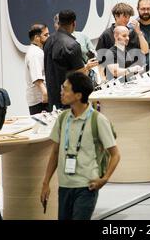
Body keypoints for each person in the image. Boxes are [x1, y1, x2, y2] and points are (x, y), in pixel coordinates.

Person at [40, 72, 120, 220]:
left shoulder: (98, 120)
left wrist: (105, 178)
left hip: (87, 186)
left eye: (65, 89)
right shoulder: (62, 118)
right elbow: (55, 153)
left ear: (78, 95)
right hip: (64, 186)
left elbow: (115, 154)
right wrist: (46, 183)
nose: (61, 92)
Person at [44, 10, 99, 110]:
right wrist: (86, 68)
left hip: (52, 97)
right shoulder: (72, 45)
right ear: (74, 23)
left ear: (59, 23)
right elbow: (80, 75)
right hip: (69, 98)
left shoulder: (48, 41)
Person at [25, 24, 50, 115]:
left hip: (40, 98)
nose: (49, 37)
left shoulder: (37, 51)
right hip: (40, 100)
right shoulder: (35, 53)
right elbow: (37, 77)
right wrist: (44, 93)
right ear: (37, 38)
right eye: (46, 35)